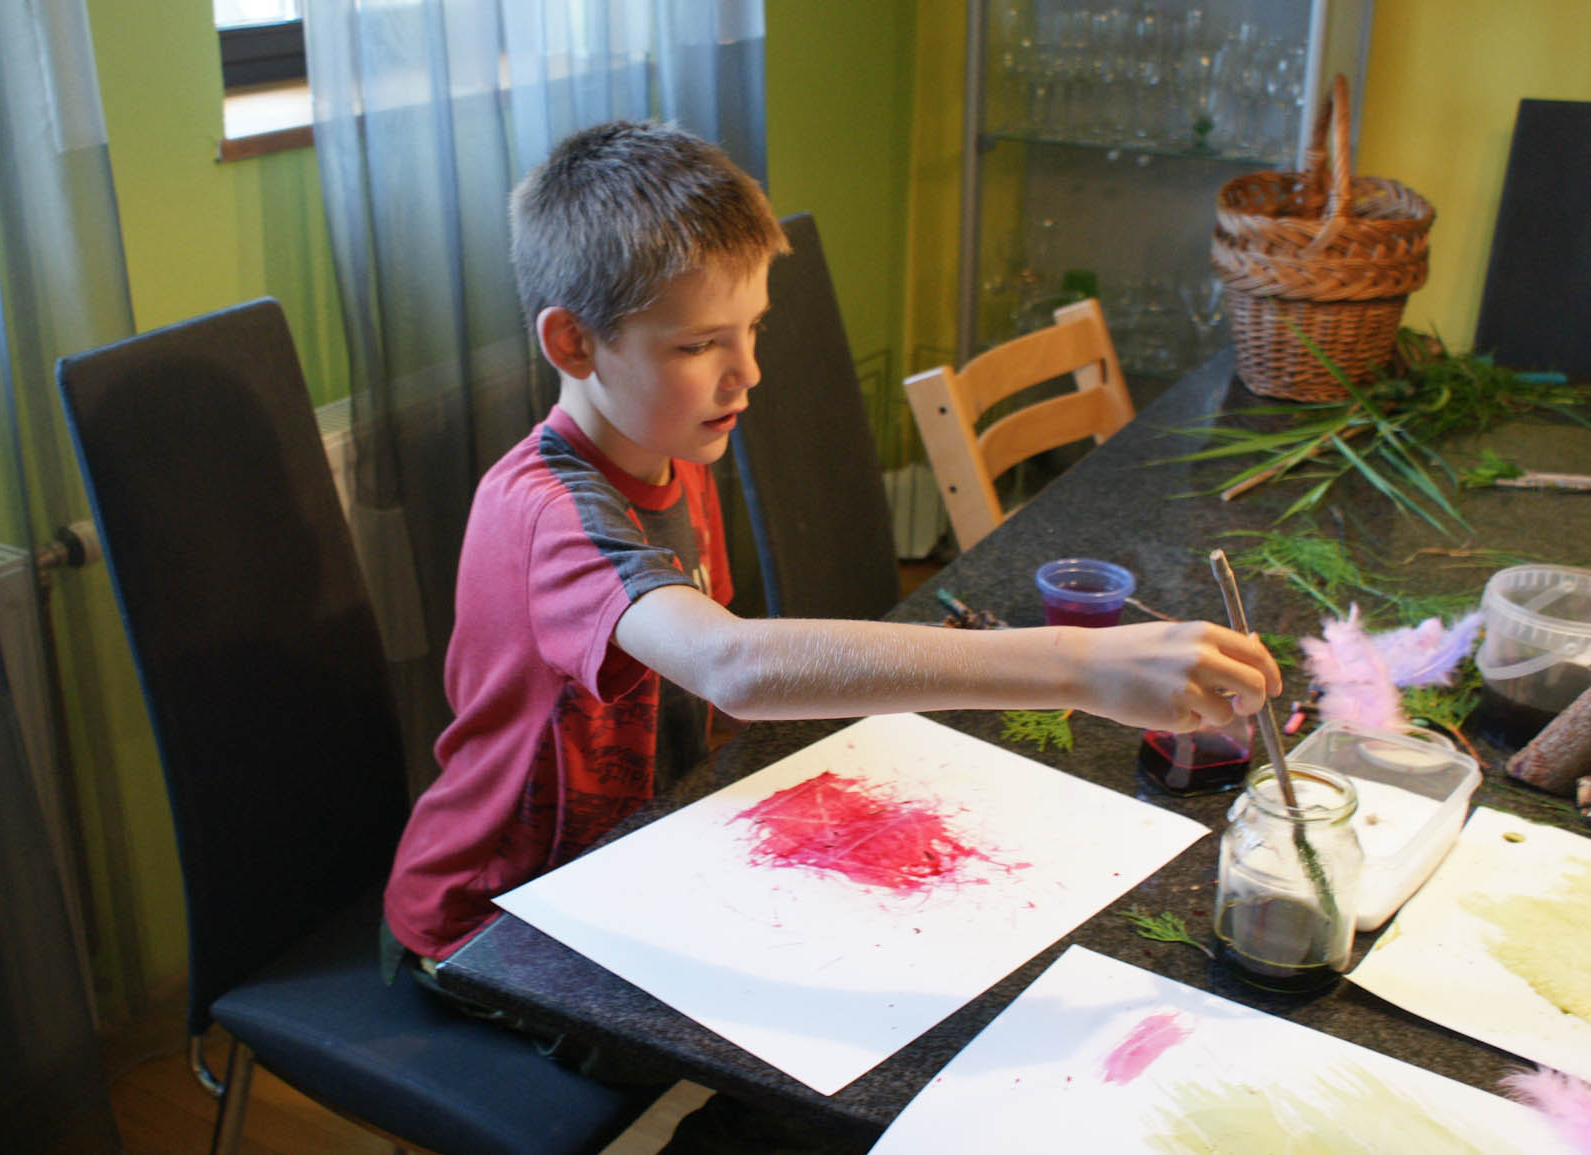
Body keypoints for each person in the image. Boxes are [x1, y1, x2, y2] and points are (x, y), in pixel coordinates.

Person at [382, 119, 1281, 1150]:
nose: (746, 373)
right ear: (573, 343)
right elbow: (732, 664)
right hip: (499, 925)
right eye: (698, 345)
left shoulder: (670, 447)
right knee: (859, 1062)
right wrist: (1077, 664)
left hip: (640, 863)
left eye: (752, 329)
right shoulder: (551, 515)